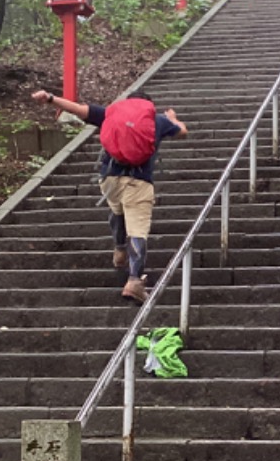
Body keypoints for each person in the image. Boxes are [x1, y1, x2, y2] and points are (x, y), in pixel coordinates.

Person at [31, 88, 188, 303]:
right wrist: (173, 119)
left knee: (117, 209)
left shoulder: (111, 113)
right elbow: (182, 132)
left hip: (109, 180)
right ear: (148, 105)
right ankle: (134, 281)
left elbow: (78, 109)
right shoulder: (157, 120)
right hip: (138, 182)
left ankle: (119, 249)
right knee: (138, 230)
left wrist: (50, 98)